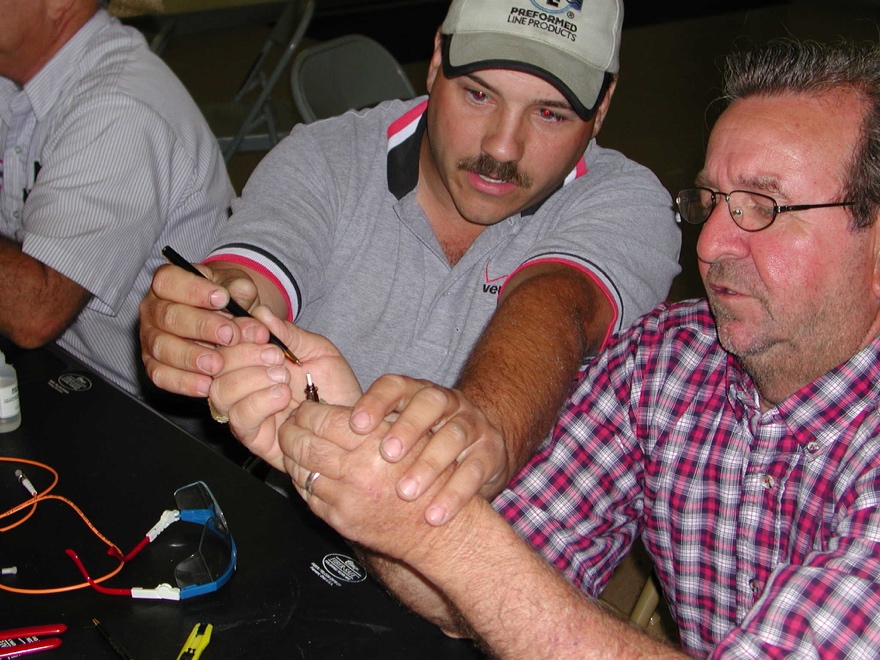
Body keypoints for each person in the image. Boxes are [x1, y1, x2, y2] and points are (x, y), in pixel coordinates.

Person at [253, 37, 880, 658]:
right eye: (711, 202)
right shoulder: (670, 363)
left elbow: (465, 559)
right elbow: (465, 595)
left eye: (761, 207)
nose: (711, 244)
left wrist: (441, 537)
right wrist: (350, 446)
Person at [138, 0, 681, 520]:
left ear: (602, 108)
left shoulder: (630, 205)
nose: (502, 148)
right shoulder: (326, 157)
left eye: (549, 113)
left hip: (476, 577)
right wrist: (214, 318)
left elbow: (556, 307)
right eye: (478, 95)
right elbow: (255, 273)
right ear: (437, 61)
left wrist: (480, 430)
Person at [0, 0, 233, 397]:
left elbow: (34, 312)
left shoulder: (119, 106)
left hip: (149, 419)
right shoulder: (18, 78)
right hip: (55, 373)